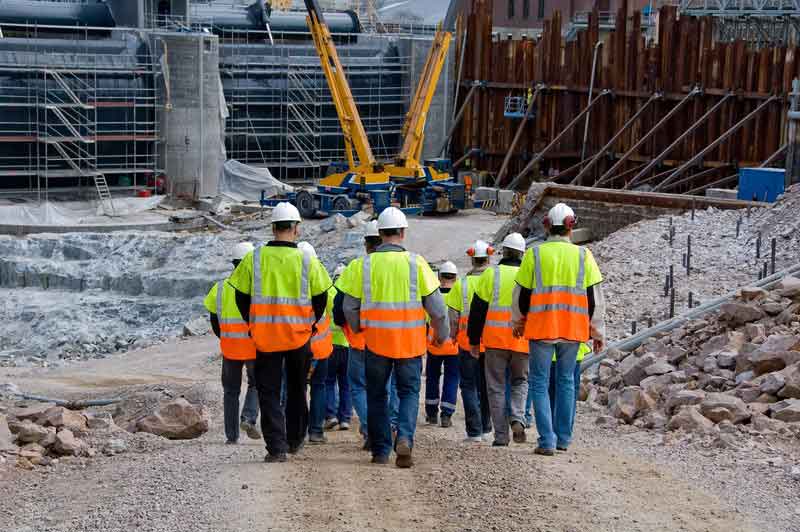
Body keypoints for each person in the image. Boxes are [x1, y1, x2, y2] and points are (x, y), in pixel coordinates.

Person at [336, 207, 448, 468]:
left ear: (380, 233)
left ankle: (380, 450)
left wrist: (360, 327)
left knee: (376, 395)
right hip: (410, 344)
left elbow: (348, 307)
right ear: (402, 232)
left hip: (375, 344)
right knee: (408, 392)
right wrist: (441, 336)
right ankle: (405, 439)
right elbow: (438, 309)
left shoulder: (363, 265)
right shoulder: (415, 263)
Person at [228, 202, 332, 463]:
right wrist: (309, 325)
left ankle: (276, 447)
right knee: (298, 389)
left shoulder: (255, 257)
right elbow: (321, 298)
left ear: (273, 227)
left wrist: (253, 324)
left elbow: (241, 296)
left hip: (265, 338)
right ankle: (295, 439)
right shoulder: (308, 259)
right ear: (296, 228)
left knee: (269, 392)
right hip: (298, 337)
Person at [513, 203, 605, 456]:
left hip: (541, 328)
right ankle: (563, 438)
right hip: (573, 330)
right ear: (570, 225)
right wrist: (597, 332)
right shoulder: (584, 255)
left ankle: (547, 441)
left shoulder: (534, 255)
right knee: (566, 382)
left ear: (546, 225)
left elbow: (522, 295)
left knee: (539, 384)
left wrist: (519, 322)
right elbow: (594, 297)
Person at [467, 233, 529, 447]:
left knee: (495, 387)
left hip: (494, 342)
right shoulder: (528, 274)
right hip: (522, 342)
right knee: (520, 382)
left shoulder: (490, 275)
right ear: (522, 253)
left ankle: (501, 436)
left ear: (503, 251)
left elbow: (477, 312)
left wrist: (474, 340)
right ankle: (518, 418)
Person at [204, 242, 261, 445]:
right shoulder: (256, 288)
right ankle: (248, 417)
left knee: (230, 391)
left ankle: (231, 436)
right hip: (254, 347)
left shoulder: (219, 288)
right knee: (256, 384)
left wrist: (225, 337)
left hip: (230, 348)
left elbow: (214, 320)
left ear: (233, 262)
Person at [447, 240, 493, 443]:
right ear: (488, 258)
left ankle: (474, 431)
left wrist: (453, 335)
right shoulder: (494, 280)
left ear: (472, 258)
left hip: (466, 345)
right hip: (491, 343)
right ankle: (487, 427)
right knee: (487, 386)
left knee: (468, 386)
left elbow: (453, 316)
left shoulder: (462, 284)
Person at [298, 241, 334, 445]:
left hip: (297, 346)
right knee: (319, 387)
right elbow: (331, 306)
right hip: (320, 348)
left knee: (298, 388)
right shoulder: (321, 277)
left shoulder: (292, 277)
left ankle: (298, 431)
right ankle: (316, 431)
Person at [424, 261, 460, 428]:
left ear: (439, 276)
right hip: (454, 345)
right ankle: (446, 414)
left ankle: (431, 413)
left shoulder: (433, 295)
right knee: (452, 378)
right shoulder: (459, 294)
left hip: (434, 345)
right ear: (455, 277)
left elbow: (426, 320)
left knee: (432, 377)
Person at [323, 265, 352, 432]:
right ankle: (345, 418)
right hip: (348, 346)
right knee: (346, 384)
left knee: (328, 382)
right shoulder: (349, 295)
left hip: (330, 346)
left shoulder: (329, 294)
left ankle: (330, 415)